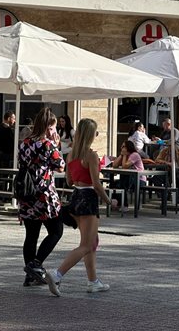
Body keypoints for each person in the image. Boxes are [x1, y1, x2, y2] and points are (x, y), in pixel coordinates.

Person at [45, 118, 111, 297]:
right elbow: (97, 185)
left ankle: (93, 281)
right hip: (89, 198)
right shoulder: (91, 155)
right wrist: (109, 201)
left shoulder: (70, 154)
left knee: (92, 242)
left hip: (76, 197)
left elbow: (69, 181)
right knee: (86, 244)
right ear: (91, 135)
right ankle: (57, 274)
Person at [18, 108, 65, 288]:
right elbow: (60, 166)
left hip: (27, 193)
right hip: (44, 195)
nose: (54, 132)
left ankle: (30, 276)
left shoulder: (25, 143)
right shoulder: (47, 144)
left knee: (31, 235)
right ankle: (35, 264)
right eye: (53, 128)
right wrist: (56, 145)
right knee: (56, 231)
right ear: (47, 127)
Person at [111, 140, 146, 212]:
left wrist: (124, 155)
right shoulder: (125, 155)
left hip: (139, 179)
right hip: (128, 179)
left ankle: (124, 205)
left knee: (122, 182)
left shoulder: (134, 155)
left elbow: (125, 166)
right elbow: (114, 165)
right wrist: (121, 155)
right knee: (114, 184)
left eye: (123, 146)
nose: (122, 148)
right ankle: (119, 203)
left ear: (128, 147)